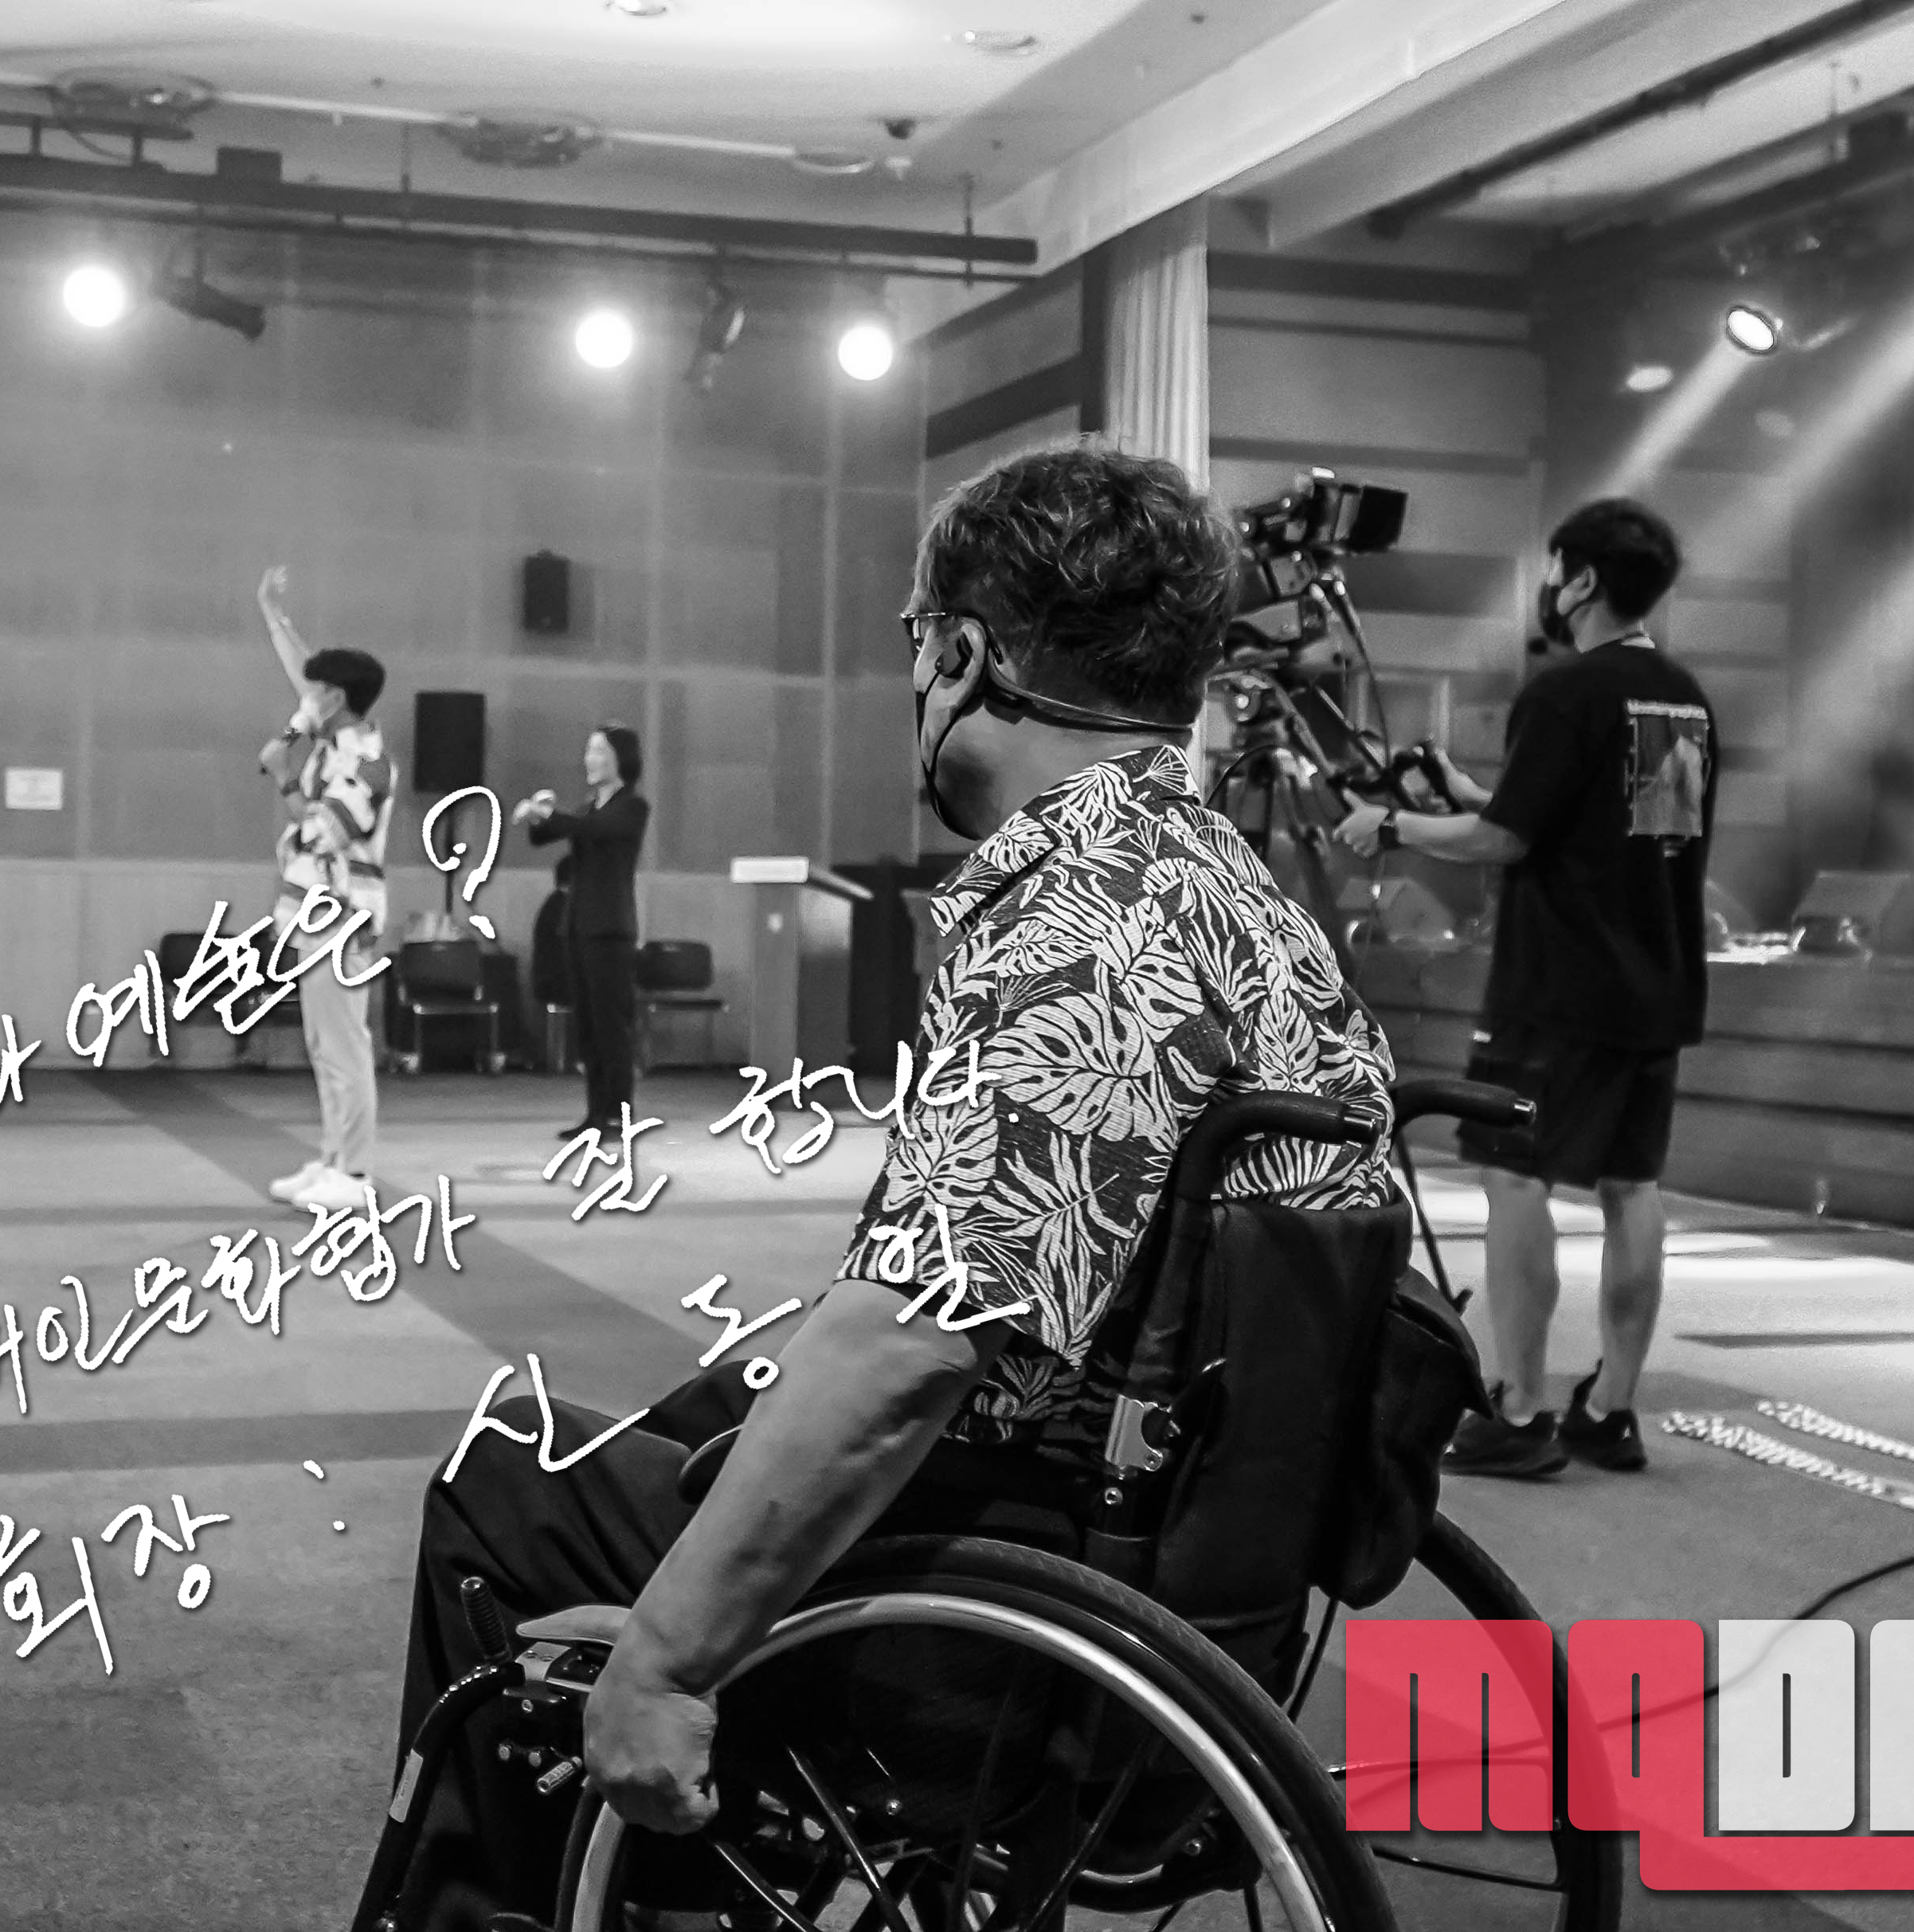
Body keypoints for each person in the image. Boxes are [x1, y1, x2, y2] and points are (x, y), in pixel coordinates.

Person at [387, 446, 1396, 1930]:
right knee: (708, 1408)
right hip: (1186, 1547)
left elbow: (915, 1348)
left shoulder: (1088, 923)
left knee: (505, 1496)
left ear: (967, 656)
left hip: (1011, 1601)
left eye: (920, 643)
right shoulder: (1243, 899)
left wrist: (666, 1660)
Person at [1338, 497, 1714, 1477]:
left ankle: (1516, 1406)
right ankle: (1611, 1409)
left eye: (1554, 568)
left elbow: (1504, 841)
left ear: (1581, 580)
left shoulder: (1564, 693)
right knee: (1631, 1187)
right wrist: (1471, 799)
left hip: (1557, 988)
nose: (1546, 587)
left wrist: (1392, 826)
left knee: (1514, 1178)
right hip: (1655, 984)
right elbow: (1608, 824)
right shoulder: (1678, 697)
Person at [254, 565, 393, 1216]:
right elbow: (302, 677)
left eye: (318, 692)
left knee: (344, 1048)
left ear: (337, 698)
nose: (305, 697)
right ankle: (333, 1158)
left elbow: (319, 831)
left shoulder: (365, 762)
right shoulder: (334, 737)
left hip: (343, 919)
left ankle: (355, 1171)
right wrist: (273, 613)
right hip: (315, 918)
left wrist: (284, 775)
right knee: (322, 1046)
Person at [513, 725, 648, 1138]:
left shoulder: (631, 806)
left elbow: (596, 831)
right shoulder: (589, 808)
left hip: (610, 930)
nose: (590, 759)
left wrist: (550, 814)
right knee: (587, 1027)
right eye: (589, 751)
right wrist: (540, 815)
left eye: (599, 751)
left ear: (620, 758)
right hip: (579, 926)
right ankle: (595, 1113)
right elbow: (545, 835)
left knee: (612, 1026)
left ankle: (618, 1115)